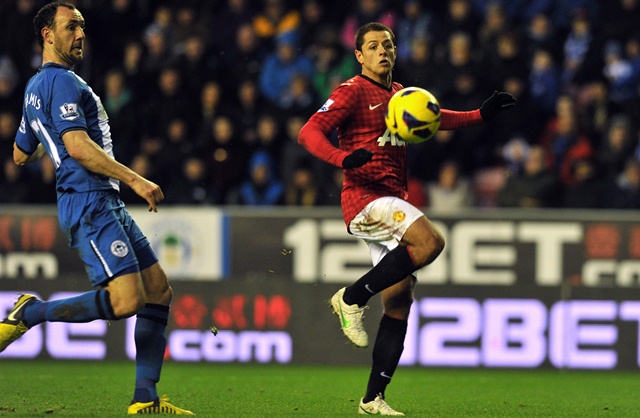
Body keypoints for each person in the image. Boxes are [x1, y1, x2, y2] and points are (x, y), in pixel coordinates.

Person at [298, 22, 515, 416]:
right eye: (374, 46)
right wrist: (342, 158)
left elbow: (436, 117)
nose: (384, 51)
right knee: (430, 242)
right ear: (359, 55)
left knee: (399, 299)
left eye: (389, 44)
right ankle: (350, 297)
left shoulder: (400, 94)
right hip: (365, 198)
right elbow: (309, 133)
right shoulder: (351, 91)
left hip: (389, 200)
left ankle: (372, 399)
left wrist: (480, 115)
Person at [0, 3, 193, 415]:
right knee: (125, 302)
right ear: (47, 35)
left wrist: (52, 149)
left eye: (83, 26)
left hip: (101, 200)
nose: (81, 34)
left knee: (158, 291)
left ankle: (145, 399)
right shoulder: (64, 83)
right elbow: (77, 147)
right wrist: (135, 179)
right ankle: (30, 312)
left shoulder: (34, 88)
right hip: (89, 201)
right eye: (71, 26)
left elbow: (19, 154)